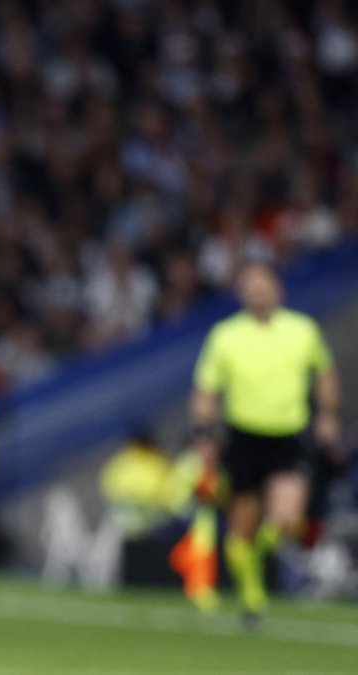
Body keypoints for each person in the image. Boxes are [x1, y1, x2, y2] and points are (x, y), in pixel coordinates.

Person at [189, 262, 340, 625]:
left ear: (278, 289)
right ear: (240, 294)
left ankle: (260, 559)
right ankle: (252, 597)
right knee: (242, 522)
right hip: (243, 436)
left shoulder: (302, 330)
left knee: (286, 519)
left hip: (288, 435)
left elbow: (325, 373)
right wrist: (203, 434)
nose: (257, 291)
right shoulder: (225, 336)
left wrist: (328, 414)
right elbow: (207, 389)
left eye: (263, 285)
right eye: (250, 286)